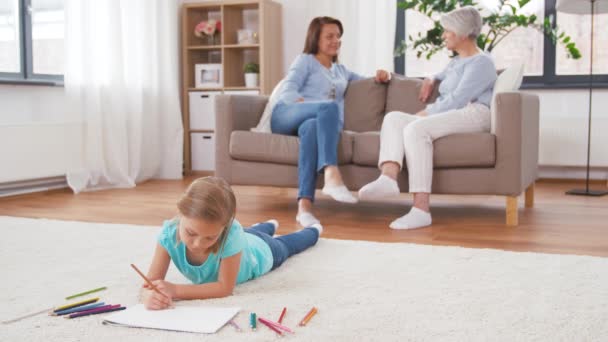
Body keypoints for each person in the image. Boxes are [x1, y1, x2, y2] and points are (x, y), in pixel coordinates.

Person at [358, 6, 497, 230]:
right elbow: (442, 76)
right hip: (457, 112)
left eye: (447, 31)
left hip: (475, 113)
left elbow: (458, 99)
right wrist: (431, 78)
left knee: (416, 129)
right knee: (393, 118)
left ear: (462, 34)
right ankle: (388, 177)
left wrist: (424, 114)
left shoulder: (482, 63)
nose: (443, 36)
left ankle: (421, 210)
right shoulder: (458, 60)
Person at [271, 16, 390, 227]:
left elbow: (366, 80)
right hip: (287, 114)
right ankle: (332, 174)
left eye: (338, 36)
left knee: (312, 128)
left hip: (312, 123)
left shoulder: (341, 71)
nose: (336, 40)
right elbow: (288, 90)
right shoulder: (305, 61)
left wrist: (381, 75)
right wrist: (306, 104)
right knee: (328, 106)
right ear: (316, 38)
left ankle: (304, 208)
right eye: (330, 36)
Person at [140, 176, 322, 310]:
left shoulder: (232, 233)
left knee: (287, 245)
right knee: (250, 232)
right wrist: (148, 295)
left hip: (262, 251)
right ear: (180, 213)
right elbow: (150, 283)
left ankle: (313, 230)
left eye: (210, 238)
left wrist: (176, 291)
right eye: (191, 233)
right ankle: (266, 225)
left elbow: (224, 288)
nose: (197, 244)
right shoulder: (168, 235)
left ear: (224, 227)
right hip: (245, 238)